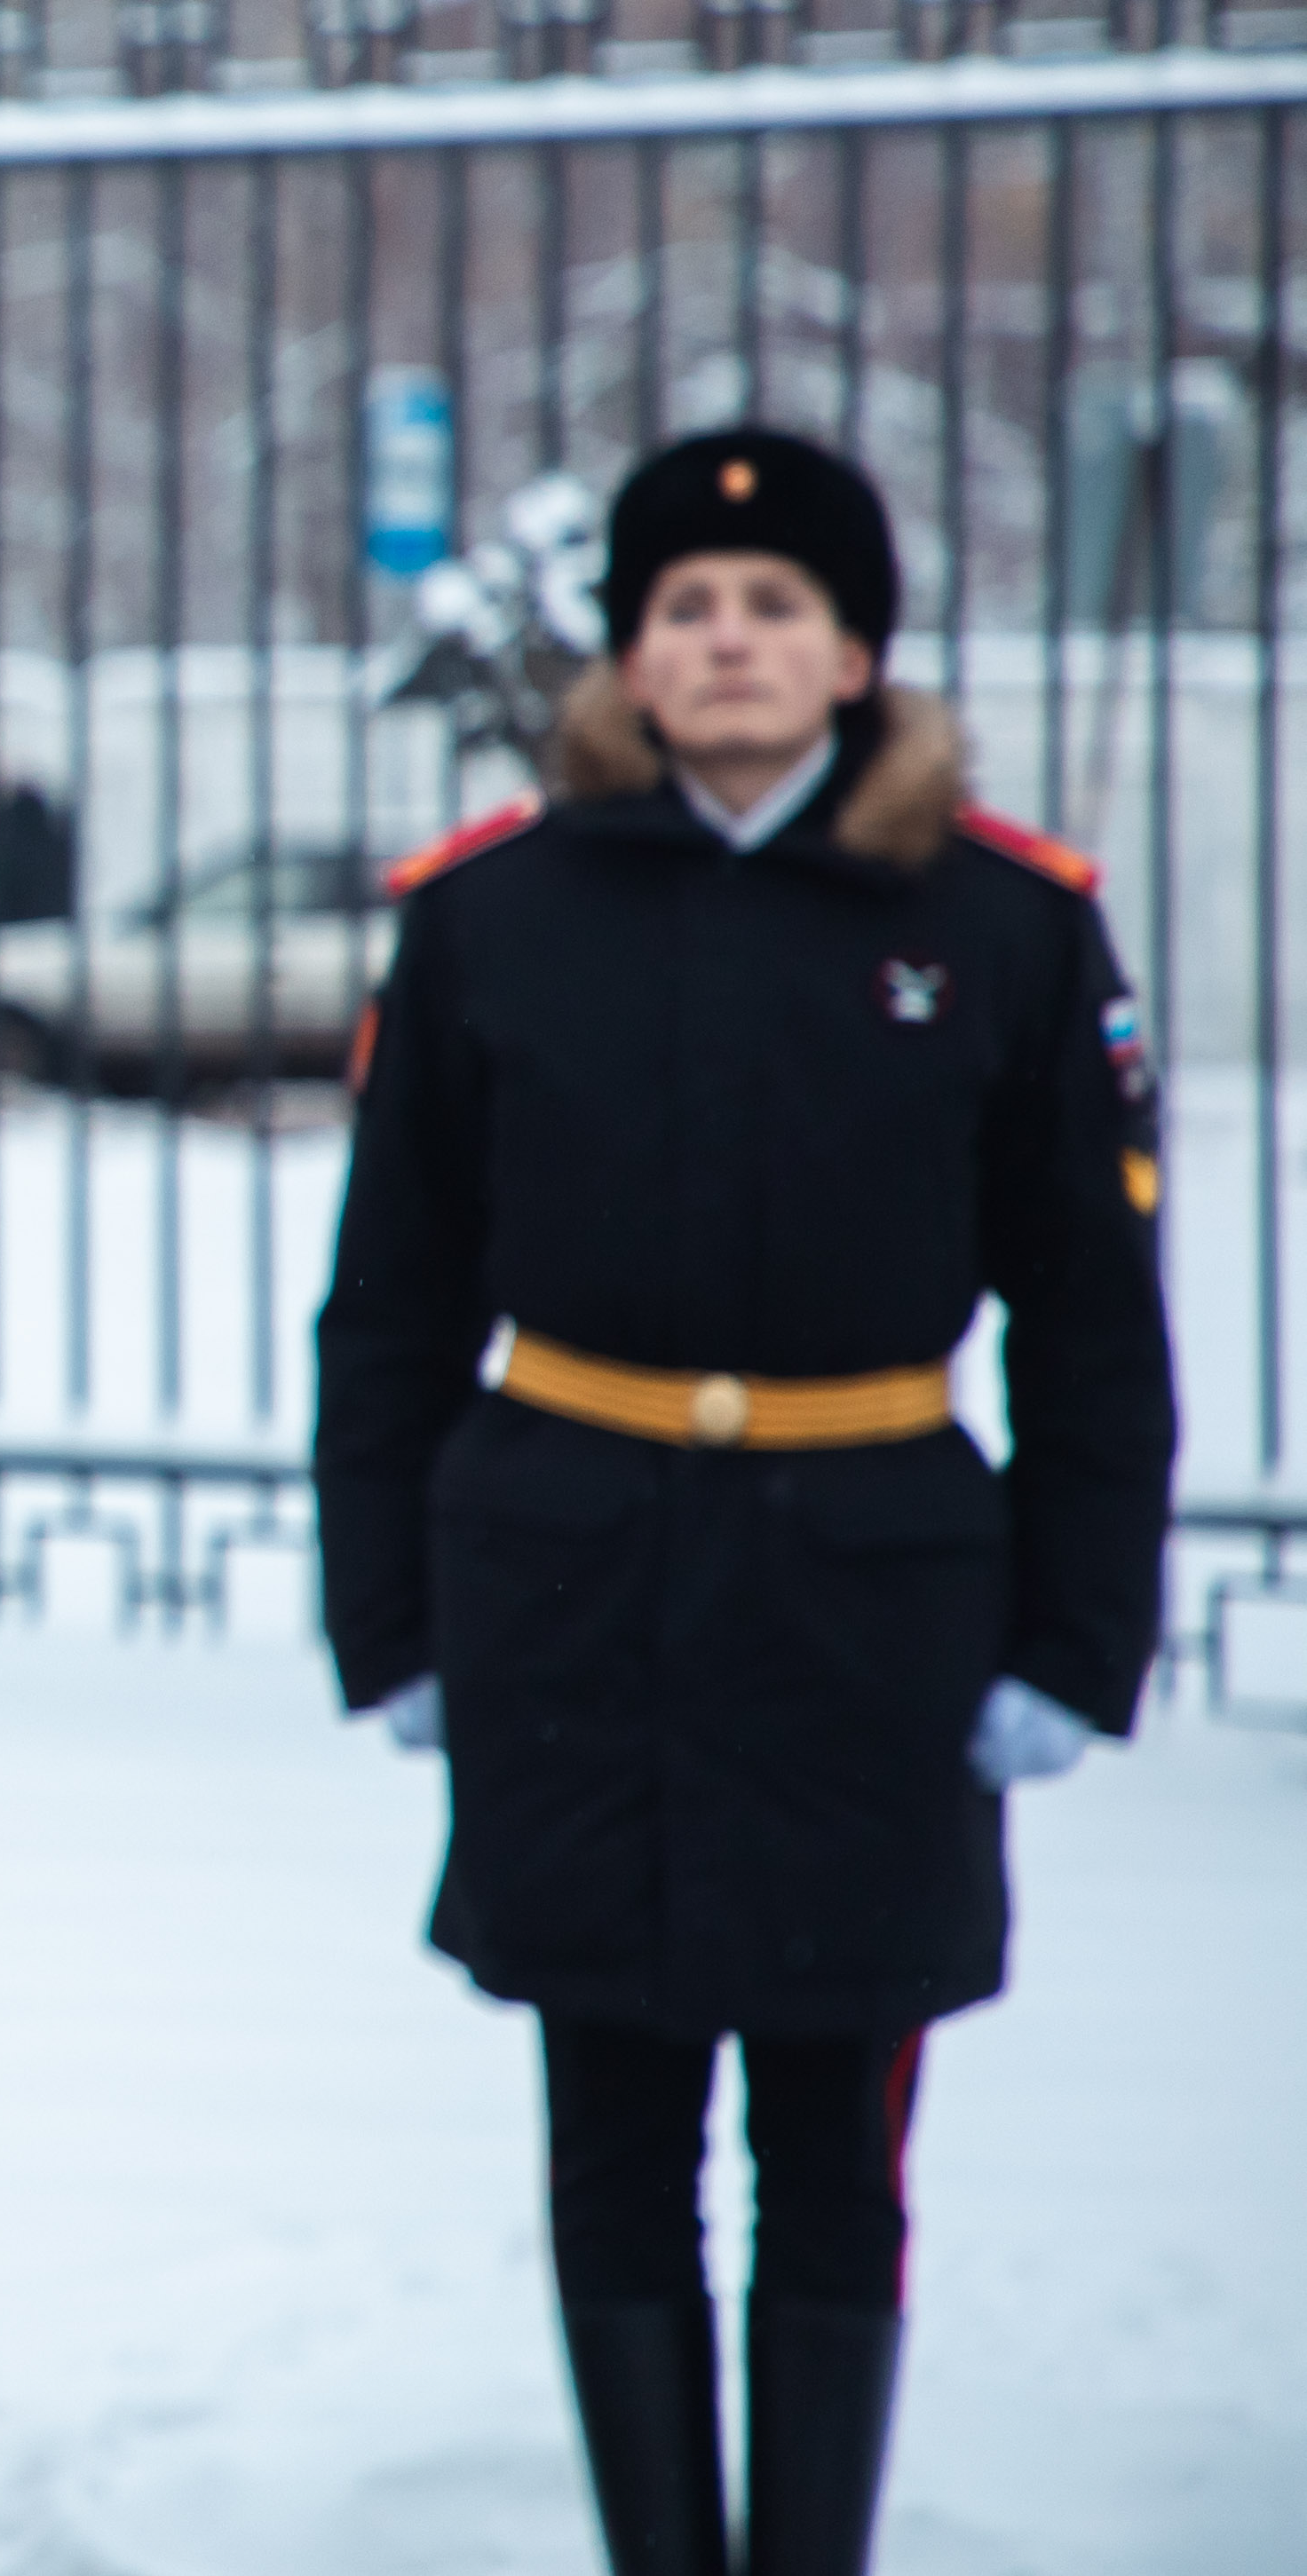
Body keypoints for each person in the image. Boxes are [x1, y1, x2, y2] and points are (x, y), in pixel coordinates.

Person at [316, 430, 1173, 2576]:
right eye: (686, 605)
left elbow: (1089, 1323)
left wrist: (1071, 1647)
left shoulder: (995, 922)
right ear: (626, 649)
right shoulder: (492, 915)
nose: (727, 640)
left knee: (829, 2134)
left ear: (855, 649)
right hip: (563, 1579)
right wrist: (392, 1623)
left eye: (773, 604)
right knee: (607, 2121)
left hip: (866, 1600)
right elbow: (388, 1301)